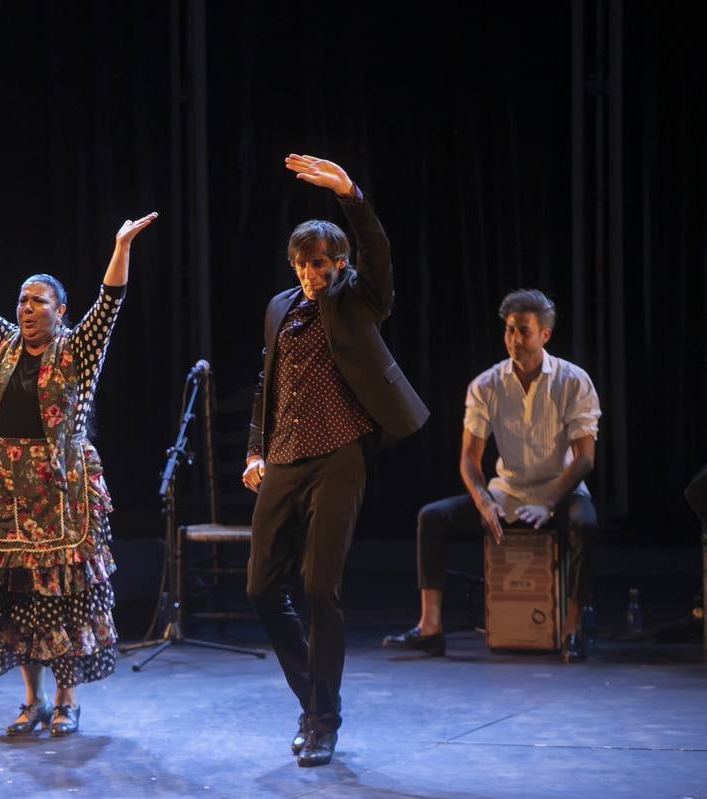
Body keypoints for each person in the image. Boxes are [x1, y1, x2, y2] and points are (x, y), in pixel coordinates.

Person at [0, 203, 156, 737]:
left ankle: (67, 701)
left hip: (59, 498)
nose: (26, 307)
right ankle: (32, 700)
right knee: (16, 601)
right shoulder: (0, 345)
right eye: (22, 299)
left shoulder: (78, 352)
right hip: (3, 498)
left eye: (38, 301)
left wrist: (121, 249)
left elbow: (110, 304)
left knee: (60, 601)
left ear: (61, 311)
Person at [243, 155, 428, 767]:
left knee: (319, 587)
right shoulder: (277, 308)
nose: (311, 273)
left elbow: (378, 249)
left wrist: (351, 192)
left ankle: (323, 720)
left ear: (339, 264)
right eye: (302, 263)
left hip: (341, 453)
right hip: (285, 457)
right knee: (263, 588)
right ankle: (313, 701)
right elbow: (267, 384)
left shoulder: (358, 299)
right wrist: (254, 450)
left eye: (321, 263)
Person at [384, 289, 600, 662]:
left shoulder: (572, 381)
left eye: (524, 332)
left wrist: (549, 501)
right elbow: (469, 458)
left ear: (545, 335)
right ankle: (430, 626)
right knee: (433, 517)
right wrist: (484, 501)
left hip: (560, 490)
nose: (515, 340)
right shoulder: (486, 385)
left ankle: (571, 630)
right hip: (509, 491)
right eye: (510, 330)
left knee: (586, 524)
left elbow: (584, 459)